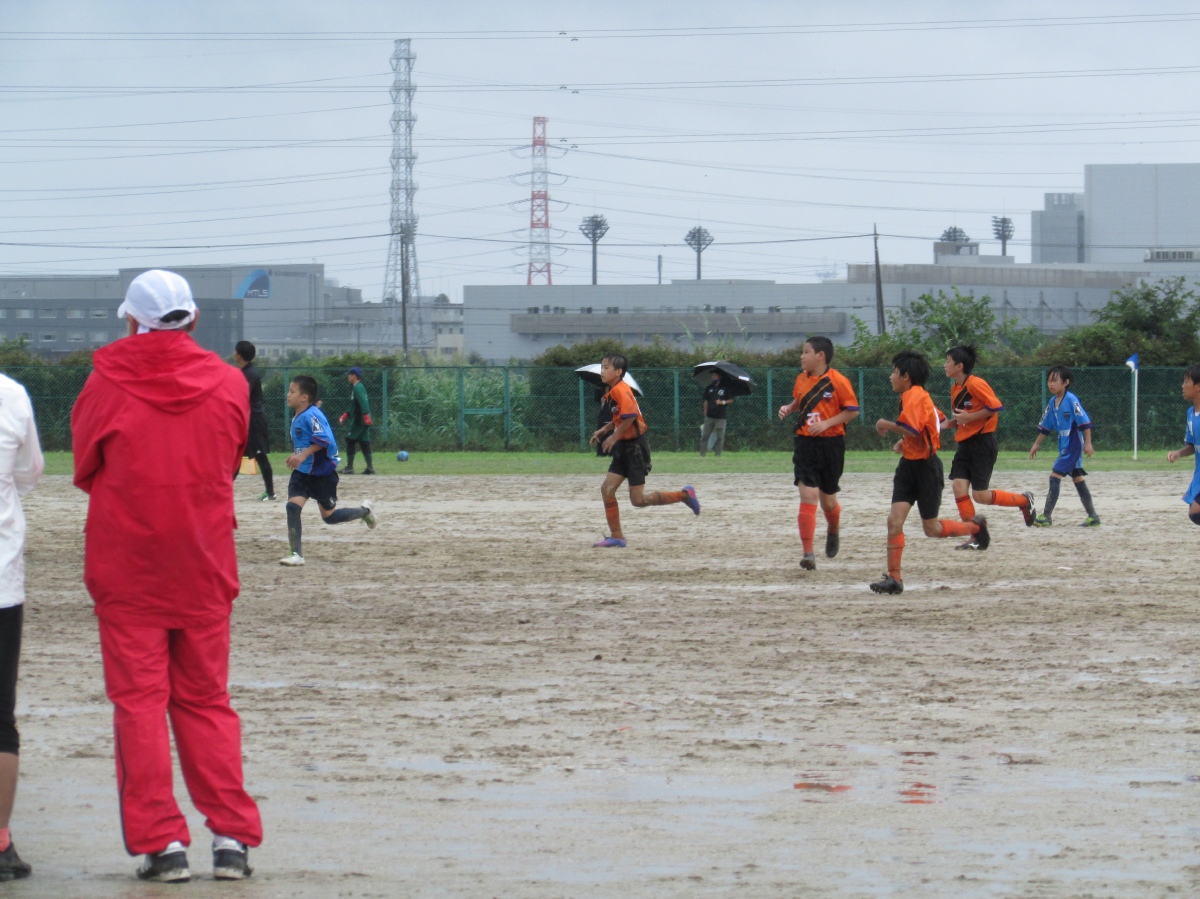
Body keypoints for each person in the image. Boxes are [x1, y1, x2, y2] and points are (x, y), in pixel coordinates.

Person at [71, 269, 262, 882]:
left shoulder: (105, 381)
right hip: (204, 560)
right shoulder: (229, 383)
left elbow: (85, 464)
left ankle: (163, 844)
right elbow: (228, 460)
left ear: (132, 320)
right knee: (207, 700)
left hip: (128, 565)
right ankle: (231, 838)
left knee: (139, 705)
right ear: (194, 319)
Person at [869, 350, 989, 595]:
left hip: (926, 470)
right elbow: (935, 422)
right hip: (908, 467)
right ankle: (894, 579)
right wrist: (907, 440)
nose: (891, 377)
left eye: (894, 372)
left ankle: (975, 528)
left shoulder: (914, 395)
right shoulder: (918, 396)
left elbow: (913, 428)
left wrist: (885, 424)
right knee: (894, 521)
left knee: (931, 529)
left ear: (906, 376)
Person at [0, 374, 43, 882]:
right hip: (0, 580)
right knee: (0, 718)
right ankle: (1, 842)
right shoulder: (9, 394)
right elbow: (29, 472)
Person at [589, 353, 699, 547]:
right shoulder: (613, 392)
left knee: (638, 500)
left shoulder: (621, 390)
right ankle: (617, 537)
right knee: (607, 489)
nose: (602, 371)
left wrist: (613, 437)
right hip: (623, 447)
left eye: (606, 367)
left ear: (618, 372)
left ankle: (684, 495)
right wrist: (605, 430)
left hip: (635, 449)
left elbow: (631, 416)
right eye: (602, 367)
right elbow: (621, 418)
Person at [776, 335, 859, 571]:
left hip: (832, 446)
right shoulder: (801, 379)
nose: (801, 356)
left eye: (806, 352)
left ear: (820, 356)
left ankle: (833, 529)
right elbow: (799, 401)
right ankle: (808, 553)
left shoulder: (838, 381)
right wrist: (789, 408)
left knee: (828, 502)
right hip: (805, 444)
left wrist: (826, 424)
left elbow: (852, 411)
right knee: (808, 495)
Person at [943, 344, 1035, 548]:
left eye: (948, 361)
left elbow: (995, 406)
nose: (945, 365)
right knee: (958, 487)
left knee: (980, 496)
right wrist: (948, 424)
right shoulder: (955, 387)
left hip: (982, 443)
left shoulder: (975, 383)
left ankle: (1024, 500)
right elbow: (963, 418)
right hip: (965, 444)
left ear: (959, 366)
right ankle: (975, 535)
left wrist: (969, 417)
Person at [281, 375, 378, 566]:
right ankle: (296, 555)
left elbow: (325, 440)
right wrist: (298, 455)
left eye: (292, 391)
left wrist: (302, 455)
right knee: (292, 507)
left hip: (322, 474)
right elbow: (306, 443)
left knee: (330, 517)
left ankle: (364, 511)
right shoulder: (299, 414)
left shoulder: (312, 415)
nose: (288, 395)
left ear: (304, 397)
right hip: (302, 473)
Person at [1028, 365, 1098, 527]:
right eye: (1049, 381)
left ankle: (1046, 516)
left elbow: (1085, 422)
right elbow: (1046, 425)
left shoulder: (1071, 400)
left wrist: (1088, 443)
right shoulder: (1052, 402)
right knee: (1078, 478)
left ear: (1066, 382)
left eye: (1055, 380)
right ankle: (1093, 517)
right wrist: (1036, 444)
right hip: (1063, 444)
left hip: (1073, 444)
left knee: (1055, 476)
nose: (1051, 384)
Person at [232, 340, 275, 500]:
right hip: (248, 419)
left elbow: (242, 395)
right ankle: (223, 489)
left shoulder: (250, 373)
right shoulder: (245, 371)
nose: (234, 353)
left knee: (260, 455)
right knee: (237, 454)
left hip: (254, 421)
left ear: (239, 355)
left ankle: (270, 493)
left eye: (236, 351)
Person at [1167, 364, 1200, 523]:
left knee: (1196, 512)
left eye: (1187, 381)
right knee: (1194, 513)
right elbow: (1193, 445)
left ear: (1198, 387)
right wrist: (1179, 453)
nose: (1182, 386)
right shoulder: (1191, 413)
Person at [338, 367, 374, 475]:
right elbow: (355, 405)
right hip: (363, 421)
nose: (348, 377)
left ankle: (349, 468)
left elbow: (363, 402)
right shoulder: (359, 386)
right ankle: (370, 468)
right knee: (364, 442)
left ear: (354, 376)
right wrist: (346, 414)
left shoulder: (357, 387)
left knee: (350, 441)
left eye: (349, 374)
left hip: (359, 421)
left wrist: (366, 415)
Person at [699, 371, 733, 457]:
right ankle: (702, 454)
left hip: (721, 417)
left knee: (720, 437)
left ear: (719, 377)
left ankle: (717, 454)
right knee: (705, 436)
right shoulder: (709, 388)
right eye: (712, 375)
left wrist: (722, 402)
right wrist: (705, 413)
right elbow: (706, 401)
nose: (713, 377)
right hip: (709, 416)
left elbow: (731, 400)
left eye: (715, 375)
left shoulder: (725, 388)